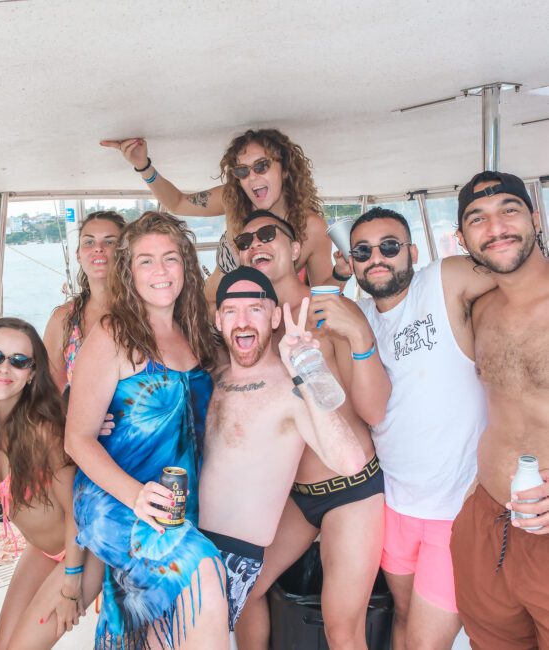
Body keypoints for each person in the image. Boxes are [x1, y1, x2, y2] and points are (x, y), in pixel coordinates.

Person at [65, 211, 229, 649]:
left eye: (170, 258)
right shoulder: (112, 334)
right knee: (204, 575)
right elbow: (77, 438)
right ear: (128, 272)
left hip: (176, 502)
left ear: (186, 266)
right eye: (145, 261)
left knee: (147, 626)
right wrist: (134, 496)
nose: (160, 271)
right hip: (116, 498)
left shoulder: (197, 331)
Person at [234, 210, 391, 650]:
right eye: (244, 242)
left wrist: (358, 335)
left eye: (268, 234)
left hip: (353, 490)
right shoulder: (250, 326)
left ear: (296, 249)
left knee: (343, 629)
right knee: (242, 590)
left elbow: (374, 408)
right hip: (296, 497)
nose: (255, 245)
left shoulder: (332, 311)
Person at [348, 206, 497, 649]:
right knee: (405, 617)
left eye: (389, 246)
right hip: (393, 506)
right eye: (363, 250)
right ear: (351, 261)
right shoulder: (358, 317)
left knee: (426, 643)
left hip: (453, 510)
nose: (377, 257)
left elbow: (514, 272)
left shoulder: (441, 281)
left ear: (411, 251)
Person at [200, 265, 365, 631]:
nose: (242, 321)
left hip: (233, 559)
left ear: (275, 316)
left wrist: (305, 369)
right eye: (231, 311)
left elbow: (351, 461)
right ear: (218, 319)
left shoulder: (290, 389)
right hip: (185, 543)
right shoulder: (210, 376)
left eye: (254, 309)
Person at [449, 171, 549, 648]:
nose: (496, 227)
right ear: (463, 238)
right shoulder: (480, 309)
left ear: (535, 217)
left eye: (509, 210)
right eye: (477, 219)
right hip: (487, 519)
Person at [0, 318, 105, 649]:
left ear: (31, 373)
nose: (5, 368)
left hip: (84, 552)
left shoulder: (42, 430)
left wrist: (72, 583)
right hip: (43, 550)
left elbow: (78, 508)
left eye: (18, 361)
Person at [102, 130, 347, 303]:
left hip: (259, 328)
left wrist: (342, 274)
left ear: (284, 170)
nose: (251, 177)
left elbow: (323, 295)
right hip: (209, 311)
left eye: (262, 166)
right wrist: (143, 166)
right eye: (242, 170)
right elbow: (176, 202)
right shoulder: (232, 199)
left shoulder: (310, 226)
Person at [44, 210, 126, 391]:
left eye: (110, 242)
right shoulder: (63, 319)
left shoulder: (146, 311)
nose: (98, 248)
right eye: (89, 242)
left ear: (125, 252)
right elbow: (50, 394)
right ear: (78, 255)